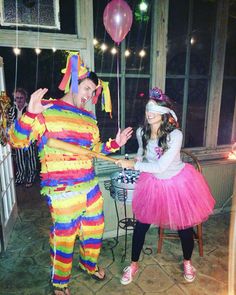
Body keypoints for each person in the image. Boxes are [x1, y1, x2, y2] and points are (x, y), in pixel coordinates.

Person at [8, 52, 133, 295]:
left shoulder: (89, 119)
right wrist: (30, 114)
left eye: (92, 91)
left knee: (94, 230)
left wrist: (114, 145)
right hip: (63, 193)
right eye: (86, 88)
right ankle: (60, 282)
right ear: (74, 82)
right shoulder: (47, 109)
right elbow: (16, 141)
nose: (89, 96)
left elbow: (92, 150)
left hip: (90, 187)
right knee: (64, 239)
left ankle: (89, 264)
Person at [116, 87, 215, 285]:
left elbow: (161, 166)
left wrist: (134, 165)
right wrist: (136, 158)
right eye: (147, 108)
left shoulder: (175, 135)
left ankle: (187, 262)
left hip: (177, 184)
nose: (149, 112)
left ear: (165, 113)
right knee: (141, 226)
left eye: (155, 108)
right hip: (152, 184)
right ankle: (134, 263)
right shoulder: (141, 132)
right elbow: (143, 153)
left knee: (184, 228)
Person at [8, 87, 37, 187]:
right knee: (19, 159)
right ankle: (20, 177)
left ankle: (30, 177)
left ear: (25, 98)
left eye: (21, 97)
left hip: (29, 138)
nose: (19, 100)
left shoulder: (30, 108)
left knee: (31, 158)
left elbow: (35, 123)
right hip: (17, 139)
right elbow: (10, 123)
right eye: (17, 98)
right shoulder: (12, 110)